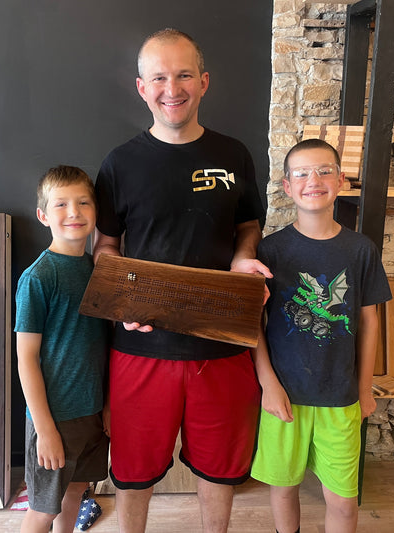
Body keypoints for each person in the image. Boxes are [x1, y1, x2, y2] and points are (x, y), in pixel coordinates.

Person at [93, 28, 272, 533]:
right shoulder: (120, 163)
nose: (173, 87)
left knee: (221, 469)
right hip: (140, 350)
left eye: (184, 74)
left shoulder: (233, 154)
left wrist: (242, 258)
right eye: (160, 77)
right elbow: (106, 246)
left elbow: (247, 225)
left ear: (204, 81)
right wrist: (124, 299)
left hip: (222, 347)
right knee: (132, 474)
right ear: (142, 88)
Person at [250, 139, 392, 533]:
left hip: (340, 397)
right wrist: (268, 384)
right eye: (302, 173)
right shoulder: (272, 251)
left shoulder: (361, 250)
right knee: (283, 489)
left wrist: (365, 389)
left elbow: (370, 323)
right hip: (285, 397)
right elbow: (253, 325)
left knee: (344, 500)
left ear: (341, 180)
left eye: (324, 170)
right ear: (287, 186)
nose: (314, 180)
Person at [15, 165, 110, 533]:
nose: (74, 212)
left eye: (84, 202)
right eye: (61, 204)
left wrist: (105, 407)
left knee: (76, 493)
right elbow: (26, 357)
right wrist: (45, 429)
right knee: (43, 509)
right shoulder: (39, 277)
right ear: (43, 215)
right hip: (54, 417)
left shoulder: (98, 270)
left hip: (91, 413)